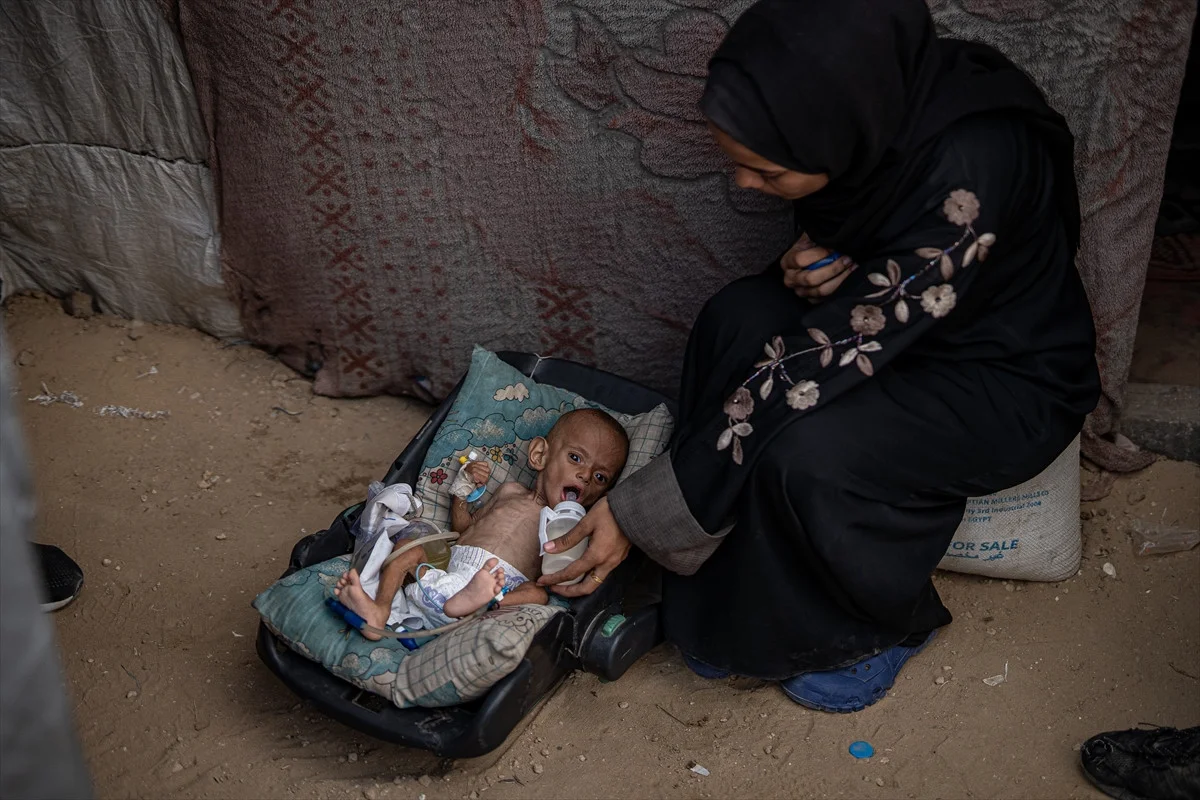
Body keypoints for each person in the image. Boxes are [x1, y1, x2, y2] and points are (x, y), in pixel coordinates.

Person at [538, 0, 1101, 713]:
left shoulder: (973, 163)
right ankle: (727, 599)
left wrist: (636, 512)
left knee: (808, 448)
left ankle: (876, 627)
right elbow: (871, 252)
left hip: (1002, 375)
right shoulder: (870, 105)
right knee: (735, 320)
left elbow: (820, 361)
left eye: (766, 173)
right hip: (896, 324)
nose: (745, 186)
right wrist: (823, 261)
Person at [335, 409, 628, 638]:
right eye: (576, 458)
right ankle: (379, 611)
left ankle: (480, 601)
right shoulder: (509, 491)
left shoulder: (573, 531)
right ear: (540, 455)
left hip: (496, 587)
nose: (586, 477)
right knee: (408, 547)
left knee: (538, 594)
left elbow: (558, 576)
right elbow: (463, 530)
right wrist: (461, 493)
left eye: (600, 477)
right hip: (445, 573)